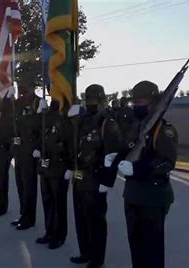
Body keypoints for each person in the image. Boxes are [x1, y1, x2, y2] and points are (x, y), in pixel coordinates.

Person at [112, 80, 178, 268]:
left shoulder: (163, 129)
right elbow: (128, 148)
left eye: (141, 101)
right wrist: (115, 159)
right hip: (133, 195)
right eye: (135, 101)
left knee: (152, 251)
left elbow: (167, 161)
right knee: (137, 247)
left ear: (154, 102)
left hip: (153, 198)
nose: (137, 105)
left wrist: (137, 169)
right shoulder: (137, 126)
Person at [68, 84, 122, 268]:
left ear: (101, 101)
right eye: (88, 100)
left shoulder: (107, 123)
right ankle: (85, 252)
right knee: (81, 219)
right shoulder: (82, 120)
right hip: (80, 176)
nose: (91, 104)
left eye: (94, 101)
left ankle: (97, 260)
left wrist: (108, 181)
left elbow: (114, 153)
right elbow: (74, 146)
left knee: (96, 222)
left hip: (97, 179)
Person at [34, 98, 72, 249]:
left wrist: (70, 166)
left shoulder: (67, 122)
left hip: (60, 167)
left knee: (58, 205)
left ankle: (59, 235)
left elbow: (71, 145)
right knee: (47, 202)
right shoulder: (47, 119)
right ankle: (49, 232)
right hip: (46, 167)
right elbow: (39, 133)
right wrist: (39, 113)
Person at [11, 80, 41, 230]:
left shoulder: (38, 102)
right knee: (20, 184)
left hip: (30, 151)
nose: (23, 90)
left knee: (29, 186)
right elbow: (14, 124)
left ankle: (30, 218)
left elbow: (42, 128)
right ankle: (23, 215)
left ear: (33, 87)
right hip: (19, 150)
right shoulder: (18, 103)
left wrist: (38, 148)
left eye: (26, 87)